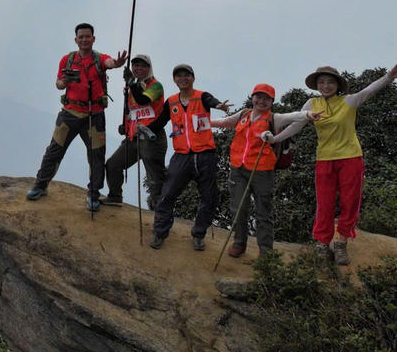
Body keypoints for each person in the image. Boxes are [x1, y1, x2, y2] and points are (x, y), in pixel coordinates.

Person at [267, 61, 397, 265]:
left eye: (329, 82)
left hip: (351, 158)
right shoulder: (311, 104)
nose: (325, 86)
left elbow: (370, 90)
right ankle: (322, 244)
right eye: (321, 82)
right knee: (325, 203)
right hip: (324, 160)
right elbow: (296, 125)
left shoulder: (349, 101)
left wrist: (389, 76)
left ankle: (342, 242)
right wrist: (276, 139)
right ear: (316, 85)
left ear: (337, 85)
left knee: (350, 201)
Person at [207, 84, 321, 258]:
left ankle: (266, 251)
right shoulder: (244, 114)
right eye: (258, 97)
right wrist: (204, 124)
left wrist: (308, 115)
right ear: (252, 97)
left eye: (266, 98)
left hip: (262, 171)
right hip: (238, 168)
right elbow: (226, 122)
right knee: (239, 207)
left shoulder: (274, 118)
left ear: (271, 102)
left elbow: (293, 117)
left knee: (263, 210)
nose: (261, 101)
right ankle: (239, 243)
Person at [26, 23, 128, 211]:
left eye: (87, 36)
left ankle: (94, 194)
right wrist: (64, 81)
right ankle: (40, 185)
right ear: (76, 40)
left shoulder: (99, 58)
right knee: (54, 150)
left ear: (93, 38)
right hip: (70, 113)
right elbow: (58, 84)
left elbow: (110, 63)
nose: (84, 40)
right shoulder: (67, 59)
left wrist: (118, 63)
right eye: (81, 37)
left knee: (96, 156)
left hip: (94, 115)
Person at [148, 64, 232, 251]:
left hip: (205, 154)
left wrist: (219, 105)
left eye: (187, 75)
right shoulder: (171, 102)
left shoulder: (201, 96)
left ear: (193, 78)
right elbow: (160, 121)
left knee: (209, 197)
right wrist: (143, 129)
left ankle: (199, 234)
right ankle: (160, 233)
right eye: (179, 76)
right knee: (167, 194)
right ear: (174, 80)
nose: (183, 78)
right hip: (181, 156)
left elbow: (211, 101)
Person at [103, 53, 166, 210]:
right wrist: (124, 125)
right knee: (113, 165)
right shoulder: (131, 88)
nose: (138, 68)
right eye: (135, 65)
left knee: (155, 178)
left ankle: (161, 211)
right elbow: (131, 110)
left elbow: (143, 100)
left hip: (152, 138)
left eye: (142, 65)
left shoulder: (155, 86)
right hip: (133, 137)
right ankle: (115, 196)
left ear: (149, 68)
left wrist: (131, 83)